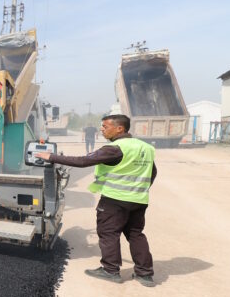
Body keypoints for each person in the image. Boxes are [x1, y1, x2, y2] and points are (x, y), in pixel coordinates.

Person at [36, 114, 158, 287]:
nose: (101, 129)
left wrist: (51, 157)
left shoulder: (115, 148)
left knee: (108, 233)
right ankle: (145, 274)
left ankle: (110, 270)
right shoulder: (145, 147)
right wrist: (140, 189)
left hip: (115, 200)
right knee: (136, 235)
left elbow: (83, 161)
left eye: (105, 126)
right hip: (139, 200)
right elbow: (153, 172)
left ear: (119, 128)